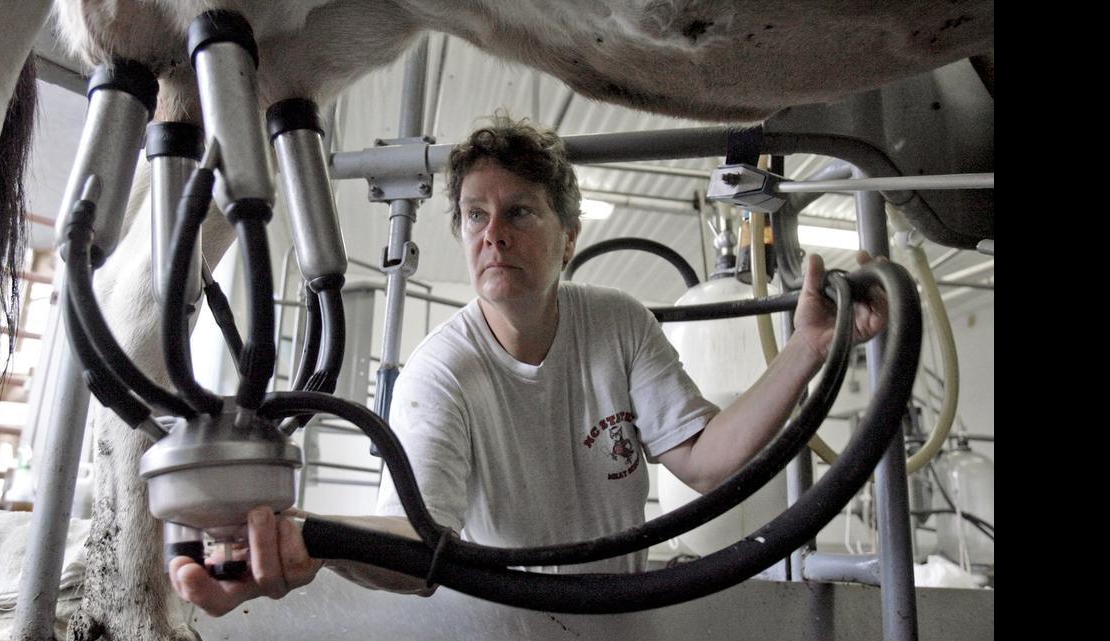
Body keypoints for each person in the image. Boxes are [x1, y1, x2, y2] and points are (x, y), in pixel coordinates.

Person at [169, 114, 887, 615]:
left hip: (619, 615)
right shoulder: (441, 372)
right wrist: (303, 535)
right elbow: (420, 542)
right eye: (475, 215)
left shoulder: (618, 323)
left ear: (569, 236)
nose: (493, 234)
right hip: (504, 625)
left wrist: (807, 348)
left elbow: (702, 460)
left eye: (519, 212)